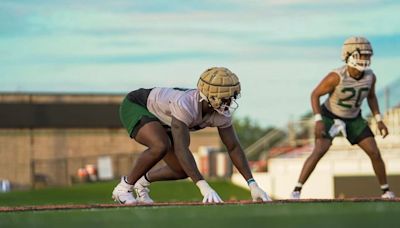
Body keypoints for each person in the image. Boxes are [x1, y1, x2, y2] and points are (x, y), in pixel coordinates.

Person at [112, 67, 271, 204]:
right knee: (160, 145)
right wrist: (204, 187)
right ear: (210, 96)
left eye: (232, 97)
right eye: (225, 98)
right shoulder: (186, 104)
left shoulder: (221, 113)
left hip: (164, 119)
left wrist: (252, 184)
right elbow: (182, 149)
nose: (229, 103)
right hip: (138, 106)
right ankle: (123, 188)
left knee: (181, 170)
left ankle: (142, 181)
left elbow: (233, 147)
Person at [291, 36, 395, 199]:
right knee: (319, 150)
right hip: (329, 116)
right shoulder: (336, 76)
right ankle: (296, 190)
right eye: (362, 55)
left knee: (374, 152)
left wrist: (379, 119)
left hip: (353, 118)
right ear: (349, 55)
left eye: (368, 55)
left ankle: (386, 190)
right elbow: (315, 94)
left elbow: (372, 97)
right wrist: (318, 120)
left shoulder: (370, 76)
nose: (366, 59)